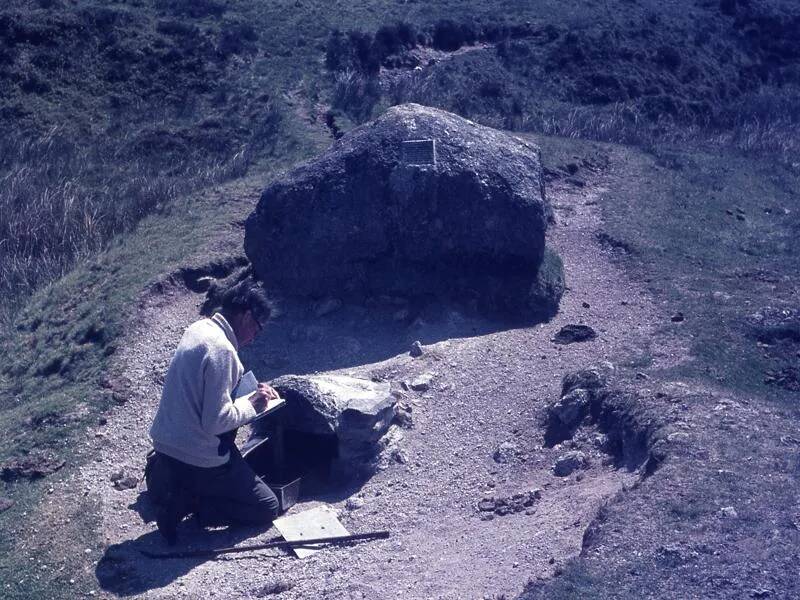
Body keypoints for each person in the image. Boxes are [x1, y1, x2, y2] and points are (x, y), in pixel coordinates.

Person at [147, 278, 280, 544]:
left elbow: (207, 390)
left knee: (192, 470)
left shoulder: (199, 329)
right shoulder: (223, 351)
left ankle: (169, 480)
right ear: (245, 315)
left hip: (166, 444)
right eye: (257, 328)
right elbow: (216, 422)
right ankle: (192, 504)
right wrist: (253, 405)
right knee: (267, 506)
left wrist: (250, 392)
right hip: (198, 456)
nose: (255, 337)